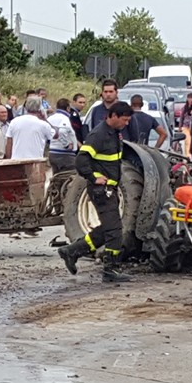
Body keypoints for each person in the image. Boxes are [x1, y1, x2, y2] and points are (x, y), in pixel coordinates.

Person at [57, 102, 135, 283]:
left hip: (109, 189)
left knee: (109, 228)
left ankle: (71, 251)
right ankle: (110, 270)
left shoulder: (114, 133)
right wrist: (94, 178)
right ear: (114, 116)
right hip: (101, 191)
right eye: (124, 120)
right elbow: (81, 160)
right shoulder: (99, 135)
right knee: (115, 230)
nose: (127, 123)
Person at [47, 98, 79, 173]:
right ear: (68, 108)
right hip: (65, 154)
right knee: (69, 177)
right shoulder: (65, 119)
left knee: (56, 178)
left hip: (52, 152)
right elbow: (62, 131)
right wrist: (67, 144)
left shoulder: (50, 118)